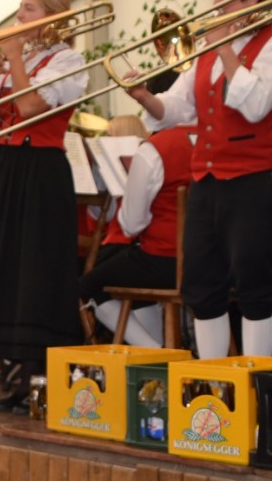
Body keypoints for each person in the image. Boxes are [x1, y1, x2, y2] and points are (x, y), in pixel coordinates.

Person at [130, 0, 272, 359]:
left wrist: (224, 46)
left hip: (256, 179)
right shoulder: (208, 53)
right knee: (201, 285)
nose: (215, 4)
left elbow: (256, 105)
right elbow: (178, 107)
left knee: (254, 284)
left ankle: (255, 378)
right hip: (208, 182)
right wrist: (145, 97)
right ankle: (214, 378)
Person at [0, 0, 91, 407]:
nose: (18, 16)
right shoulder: (16, 63)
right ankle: (16, 378)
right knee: (6, 269)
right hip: (7, 167)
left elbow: (33, 108)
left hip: (41, 170)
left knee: (37, 272)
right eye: (21, 8)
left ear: (52, 16)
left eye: (28, 9)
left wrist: (15, 60)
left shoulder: (68, 61)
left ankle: (41, 379)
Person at [80, 125, 195, 348]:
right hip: (211, 260)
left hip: (166, 258)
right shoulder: (211, 137)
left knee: (89, 286)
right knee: (136, 278)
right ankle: (158, 353)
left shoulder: (157, 147)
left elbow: (131, 225)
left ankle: (155, 353)